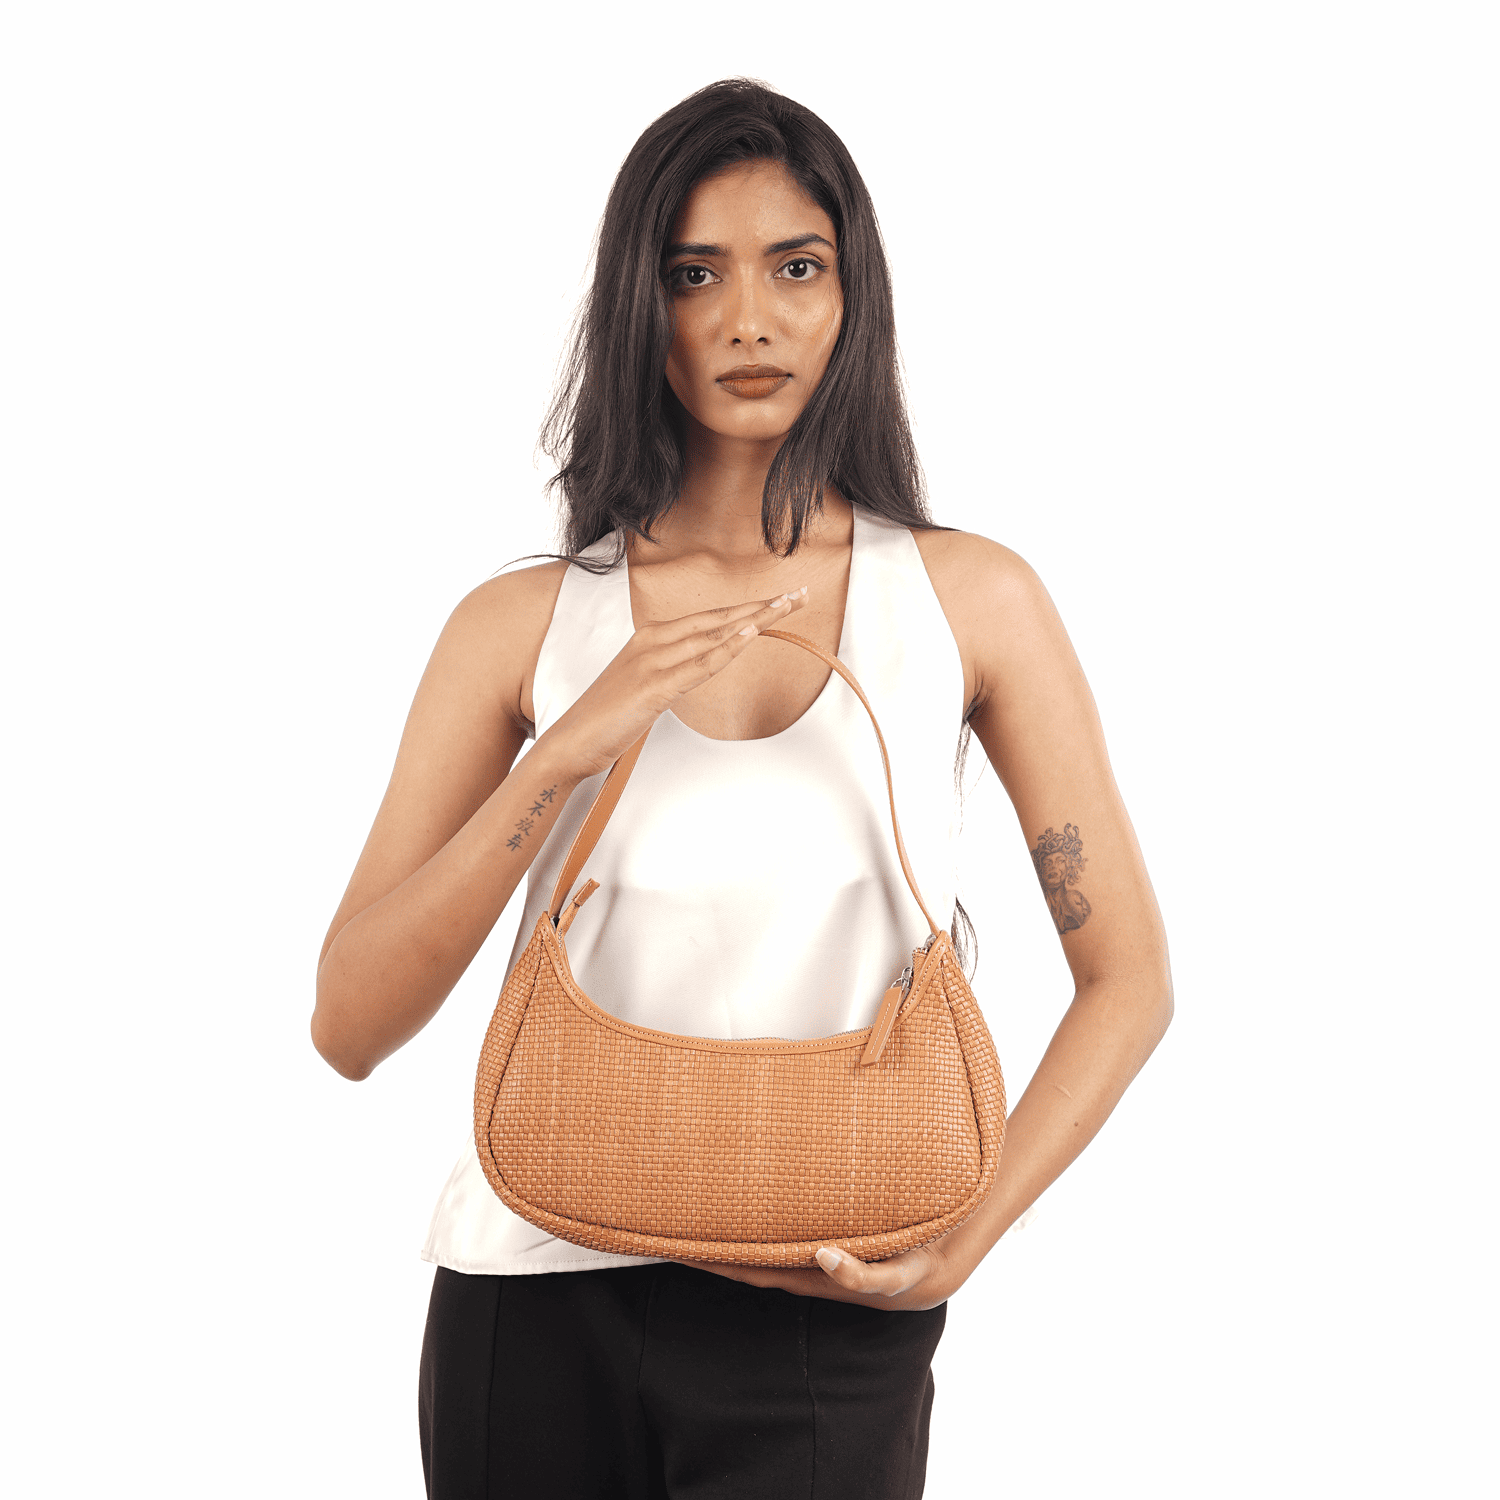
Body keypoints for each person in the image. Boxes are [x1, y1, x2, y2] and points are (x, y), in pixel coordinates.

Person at [312, 78, 1173, 1500]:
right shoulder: (521, 625)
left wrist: (966, 1242)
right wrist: (572, 745)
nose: (749, 320)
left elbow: (1129, 978)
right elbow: (348, 1025)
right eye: (694, 274)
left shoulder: (972, 600)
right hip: (530, 1293)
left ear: (853, 296)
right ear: (637, 306)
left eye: (797, 267)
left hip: (835, 1296)